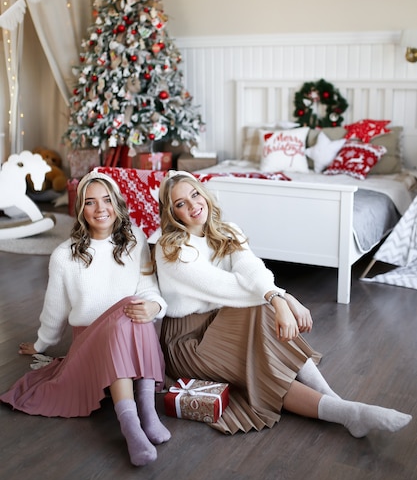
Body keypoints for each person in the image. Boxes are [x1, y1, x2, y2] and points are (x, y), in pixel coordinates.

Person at [144, 170, 412, 437]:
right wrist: (283, 299)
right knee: (262, 321)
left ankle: (338, 402)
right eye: (181, 203)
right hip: (189, 341)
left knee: (263, 307)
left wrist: (277, 296)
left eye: (195, 194)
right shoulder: (172, 250)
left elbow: (250, 268)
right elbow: (224, 288)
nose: (193, 205)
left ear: (203, 194)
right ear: (171, 212)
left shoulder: (227, 231)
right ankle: (346, 412)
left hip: (221, 321)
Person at [0, 171, 171, 466]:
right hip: (89, 344)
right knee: (127, 312)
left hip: (130, 332)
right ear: (80, 210)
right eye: (90, 202)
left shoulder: (136, 241)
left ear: (117, 204)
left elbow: (148, 290)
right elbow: (54, 310)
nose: (101, 208)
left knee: (135, 307)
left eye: (107, 200)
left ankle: (147, 410)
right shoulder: (64, 256)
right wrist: (42, 344)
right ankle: (130, 425)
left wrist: (155, 307)